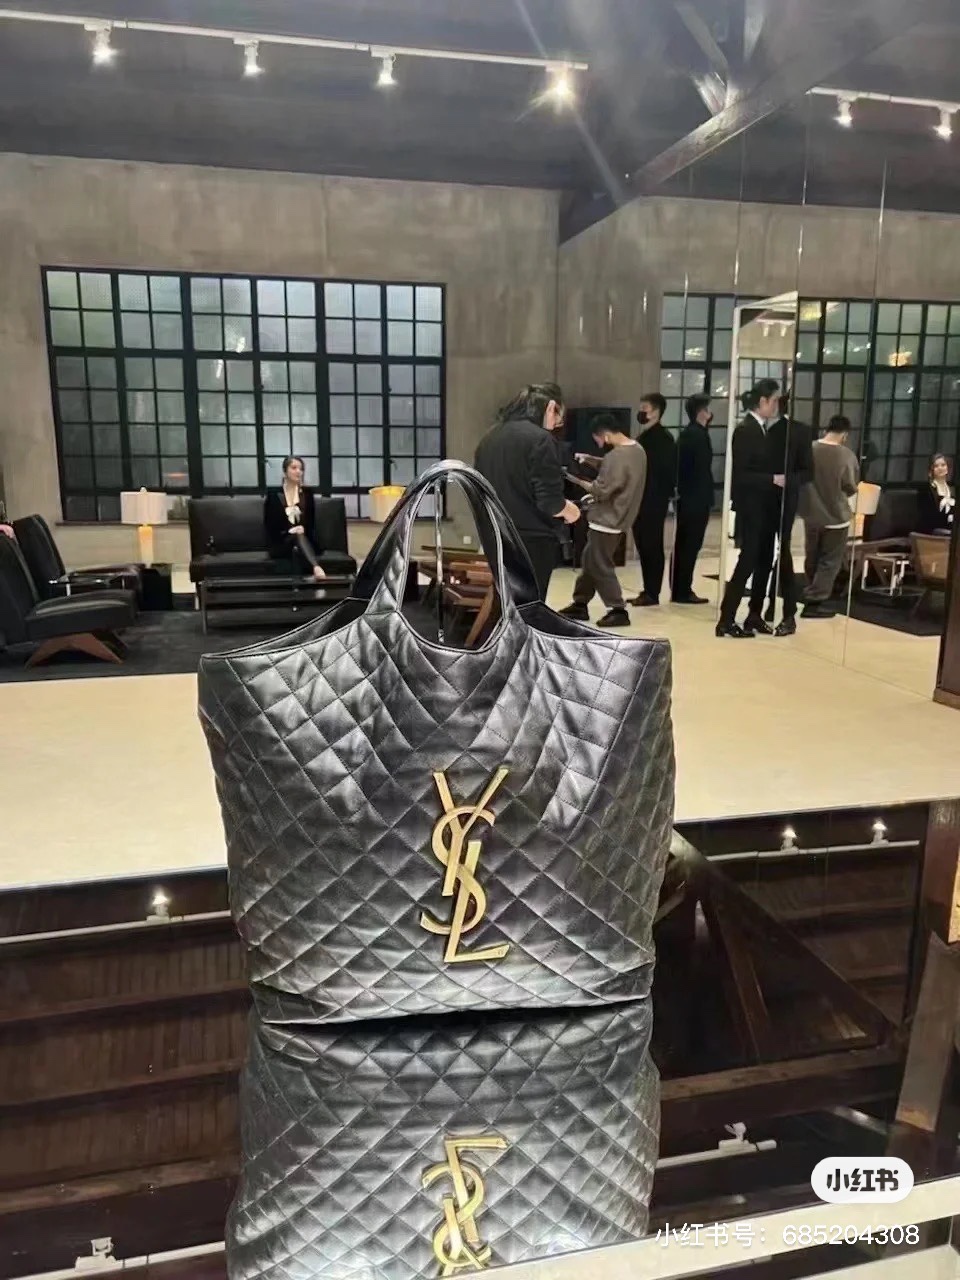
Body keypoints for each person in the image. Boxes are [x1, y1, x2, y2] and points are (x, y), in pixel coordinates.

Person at [474, 382, 581, 599]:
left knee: (503, 602)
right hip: (531, 541)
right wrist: (572, 511)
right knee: (530, 604)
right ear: (551, 407)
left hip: (494, 534)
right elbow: (550, 503)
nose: (556, 425)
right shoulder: (540, 439)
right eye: (558, 418)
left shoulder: (489, 438)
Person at [559, 417, 647, 628]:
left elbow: (600, 490)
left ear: (605, 435)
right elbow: (616, 469)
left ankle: (617, 609)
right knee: (590, 560)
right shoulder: (637, 451)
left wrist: (572, 478)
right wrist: (590, 459)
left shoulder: (615, 456)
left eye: (598, 439)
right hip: (621, 517)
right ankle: (580, 603)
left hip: (606, 519)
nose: (599, 443)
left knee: (600, 565)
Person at [716, 378, 782, 639]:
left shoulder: (763, 429)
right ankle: (726, 618)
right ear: (762, 401)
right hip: (751, 507)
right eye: (774, 400)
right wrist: (772, 479)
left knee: (765, 559)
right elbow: (742, 475)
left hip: (764, 507)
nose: (776, 405)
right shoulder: (745, 430)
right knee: (747, 562)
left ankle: (754, 614)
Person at [750, 393, 814, 636]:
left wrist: (788, 480)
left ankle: (788, 613)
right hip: (759, 500)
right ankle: (756, 611)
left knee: (783, 554)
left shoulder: (798, 431)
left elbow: (808, 472)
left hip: (784, 500)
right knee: (761, 555)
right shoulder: (756, 429)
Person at [798, 415, 859, 618]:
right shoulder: (846, 456)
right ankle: (816, 600)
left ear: (827, 429)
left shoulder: (809, 449)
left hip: (811, 513)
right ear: (845, 435)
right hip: (836, 516)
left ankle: (810, 590)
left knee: (812, 556)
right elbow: (850, 486)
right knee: (830, 560)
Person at [631, 393, 678, 607]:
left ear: (657, 411)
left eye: (646, 408)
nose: (642, 412)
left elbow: (665, 473)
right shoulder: (645, 436)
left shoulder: (663, 439)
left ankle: (653, 591)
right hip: (641, 499)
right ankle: (647, 588)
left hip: (653, 500)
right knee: (642, 544)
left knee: (651, 545)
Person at [671, 393, 713, 604]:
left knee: (685, 544)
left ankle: (680, 587)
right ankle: (683, 589)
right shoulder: (696, 436)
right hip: (695, 499)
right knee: (689, 545)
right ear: (701, 412)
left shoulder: (689, 434)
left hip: (689, 497)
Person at [264, 455, 326, 580]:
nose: (298, 471)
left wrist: (303, 529)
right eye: (294, 468)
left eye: (301, 469)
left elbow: (311, 524)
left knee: (298, 543)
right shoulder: (274, 495)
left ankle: (304, 581)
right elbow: (270, 526)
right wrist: (290, 531)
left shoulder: (307, 494)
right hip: (282, 542)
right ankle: (316, 567)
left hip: (305, 540)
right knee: (296, 538)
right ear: (285, 471)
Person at [916, 453, 955, 534]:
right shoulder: (925, 490)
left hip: (952, 528)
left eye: (943, 465)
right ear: (931, 470)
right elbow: (928, 516)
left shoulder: (953, 490)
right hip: (932, 529)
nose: (940, 468)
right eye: (936, 466)